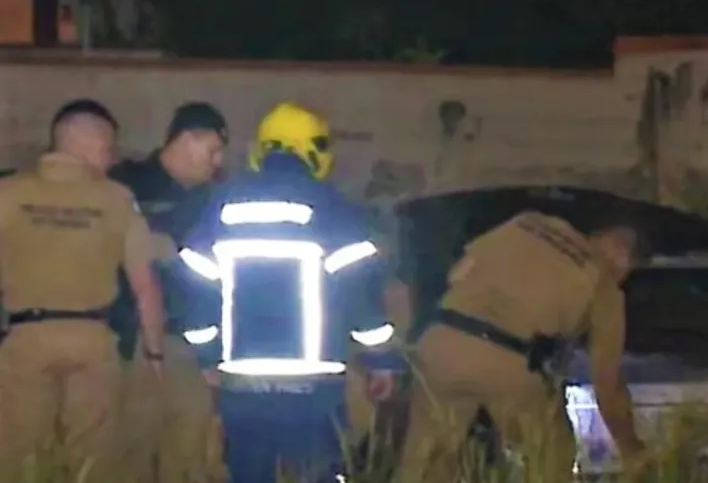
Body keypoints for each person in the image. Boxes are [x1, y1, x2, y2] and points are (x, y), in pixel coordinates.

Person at [177, 102, 403, 483]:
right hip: (314, 391)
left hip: (242, 386)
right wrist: (382, 362)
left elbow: (194, 290)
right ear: (313, 150)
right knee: (317, 474)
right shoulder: (334, 208)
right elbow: (362, 299)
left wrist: (207, 356)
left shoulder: (222, 205)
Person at [393, 211, 649, 482]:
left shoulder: (529, 222)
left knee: (427, 460)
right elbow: (607, 386)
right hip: (507, 360)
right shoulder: (605, 287)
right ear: (624, 266)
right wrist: (631, 450)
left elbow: (458, 273)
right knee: (552, 458)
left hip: (440, 345)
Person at [0, 99, 166, 481]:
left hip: (24, 341)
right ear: (90, 146)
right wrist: (154, 354)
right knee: (93, 464)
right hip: (93, 344)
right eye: (109, 149)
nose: (111, 160)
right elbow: (145, 287)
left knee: (19, 459)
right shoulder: (117, 200)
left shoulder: (7, 194)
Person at [108, 101, 229, 483]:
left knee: (190, 452)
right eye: (213, 149)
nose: (218, 161)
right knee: (133, 452)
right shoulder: (126, 186)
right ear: (187, 139)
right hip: (133, 343)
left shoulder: (213, 200)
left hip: (192, 347)